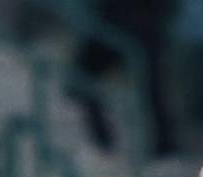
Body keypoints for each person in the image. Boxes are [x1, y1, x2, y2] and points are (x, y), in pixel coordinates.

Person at [72, 0, 180, 158]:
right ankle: (104, 137)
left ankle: (164, 144)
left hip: (138, 32)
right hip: (115, 31)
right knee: (81, 78)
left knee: (152, 90)